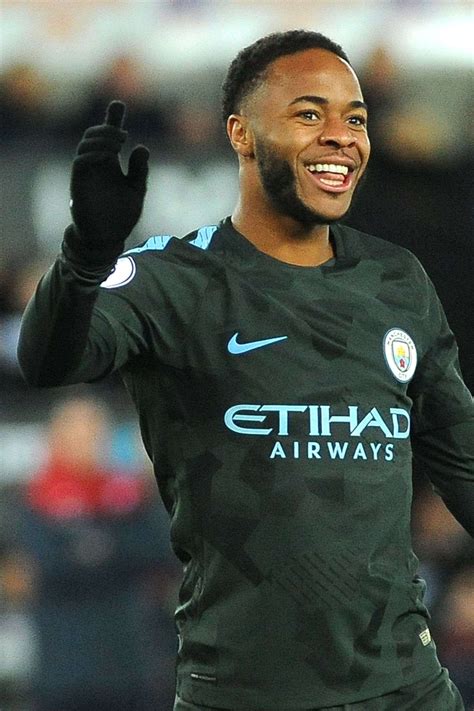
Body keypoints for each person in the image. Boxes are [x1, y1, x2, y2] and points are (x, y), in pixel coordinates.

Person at [17, 29, 473, 711]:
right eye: (309, 113)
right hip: (243, 694)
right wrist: (84, 256)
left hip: (405, 690)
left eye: (355, 117)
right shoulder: (174, 281)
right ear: (241, 133)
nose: (342, 136)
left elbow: (464, 462)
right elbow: (48, 359)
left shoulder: (396, 280)